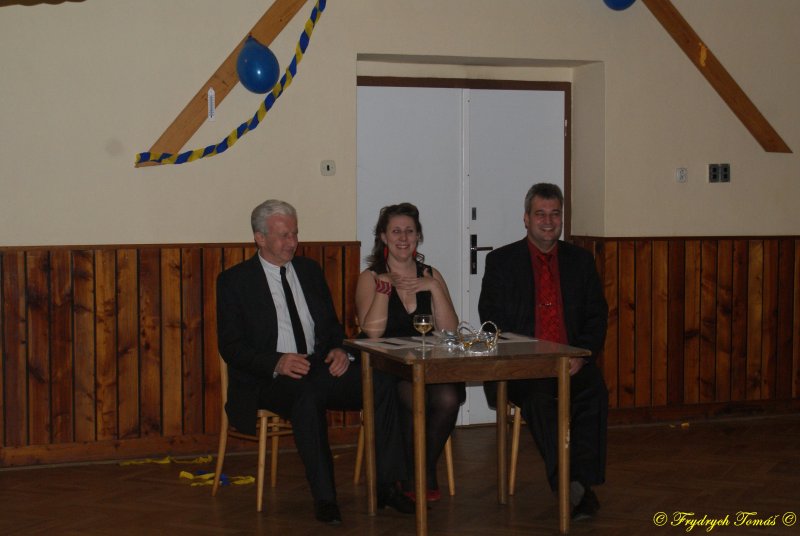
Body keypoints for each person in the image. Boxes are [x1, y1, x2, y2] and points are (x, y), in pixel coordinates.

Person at [216, 199, 413, 525]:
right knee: (306, 397)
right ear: (260, 238)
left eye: (295, 233)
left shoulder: (309, 271)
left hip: (316, 366)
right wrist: (278, 362)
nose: (292, 242)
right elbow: (232, 348)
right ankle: (325, 498)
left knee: (379, 382)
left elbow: (331, 328)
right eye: (283, 235)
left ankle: (388, 486)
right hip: (269, 378)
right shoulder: (235, 281)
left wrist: (339, 350)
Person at [478, 183, 609, 520]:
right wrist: (532, 360)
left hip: (572, 362)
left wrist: (581, 354)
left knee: (593, 392)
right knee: (539, 400)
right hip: (524, 368)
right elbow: (491, 320)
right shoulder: (501, 261)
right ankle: (570, 484)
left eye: (555, 214)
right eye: (540, 214)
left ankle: (580, 482)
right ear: (526, 218)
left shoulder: (580, 261)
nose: (548, 221)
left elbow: (597, 315)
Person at [355, 202, 465, 502]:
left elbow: (450, 330)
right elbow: (372, 332)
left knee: (449, 397)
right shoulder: (370, 277)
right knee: (411, 392)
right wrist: (384, 289)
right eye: (396, 231)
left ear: (418, 236)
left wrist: (434, 288)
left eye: (410, 231)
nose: (403, 238)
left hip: (428, 363)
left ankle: (421, 468)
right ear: (383, 237)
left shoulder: (431, 274)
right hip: (388, 368)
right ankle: (418, 474)